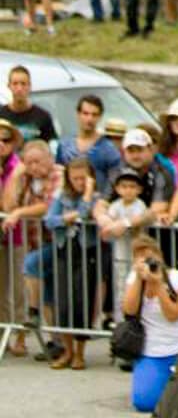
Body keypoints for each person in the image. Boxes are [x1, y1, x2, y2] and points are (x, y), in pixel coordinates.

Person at [121, 236, 178, 413]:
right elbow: (129, 311)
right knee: (144, 403)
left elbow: (173, 315)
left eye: (149, 256)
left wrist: (158, 284)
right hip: (151, 350)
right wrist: (139, 278)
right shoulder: (134, 279)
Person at [5, 140, 62, 352]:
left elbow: (48, 207)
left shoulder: (58, 175)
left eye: (37, 162)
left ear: (49, 158)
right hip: (37, 242)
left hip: (60, 241)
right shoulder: (27, 178)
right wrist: (16, 175)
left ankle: (33, 313)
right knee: (48, 294)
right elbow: (9, 205)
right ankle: (56, 342)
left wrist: (19, 213)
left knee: (30, 265)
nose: (33, 167)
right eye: (28, 163)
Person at [44, 156, 99, 369]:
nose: (79, 181)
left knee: (81, 304)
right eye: (75, 178)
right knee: (64, 304)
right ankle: (67, 351)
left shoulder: (95, 197)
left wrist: (86, 196)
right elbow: (49, 220)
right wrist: (65, 219)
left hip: (86, 252)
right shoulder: (62, 196)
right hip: (63, 250)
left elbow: (85, 215)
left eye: (83, 178)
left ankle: (80, 353)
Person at [100, 169, 153, 311]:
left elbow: (136, 222)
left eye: (132, 187)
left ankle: (136, 315)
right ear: (117, 189)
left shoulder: (139, 205)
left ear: (139, 189)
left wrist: (121, 224)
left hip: (137, 254)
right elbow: (109, 224)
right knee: (120, 286)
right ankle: (121, 318)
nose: (128, 190)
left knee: (137, 283)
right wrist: (110, 226)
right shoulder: (116, 205)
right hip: (120, 254)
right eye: (124, 186)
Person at [56, 94, 122, 196]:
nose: (89, 119)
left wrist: (104, 201)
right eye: (85, 113)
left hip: (96, 202)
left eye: (94, 115)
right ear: (78, 114)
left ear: (100, 117)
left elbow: (113, 181)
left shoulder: (109, 149)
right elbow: (58, 176)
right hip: (68, 202)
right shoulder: (64, 145)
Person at [0, 118, 25, 352]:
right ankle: (2, 335)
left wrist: (13, 176)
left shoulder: (17, 167)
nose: (0, 144)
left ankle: (20, 336)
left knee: (18, 288)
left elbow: (8, 205)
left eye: (5, 140)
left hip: (16, 235)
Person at [0, 65, 56, 145]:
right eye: (15, 84)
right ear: (9, 86)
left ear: (29, 86)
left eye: (23, 84)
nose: (19, 88)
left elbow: (51, 147)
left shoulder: (43, 116)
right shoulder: (1, 115)